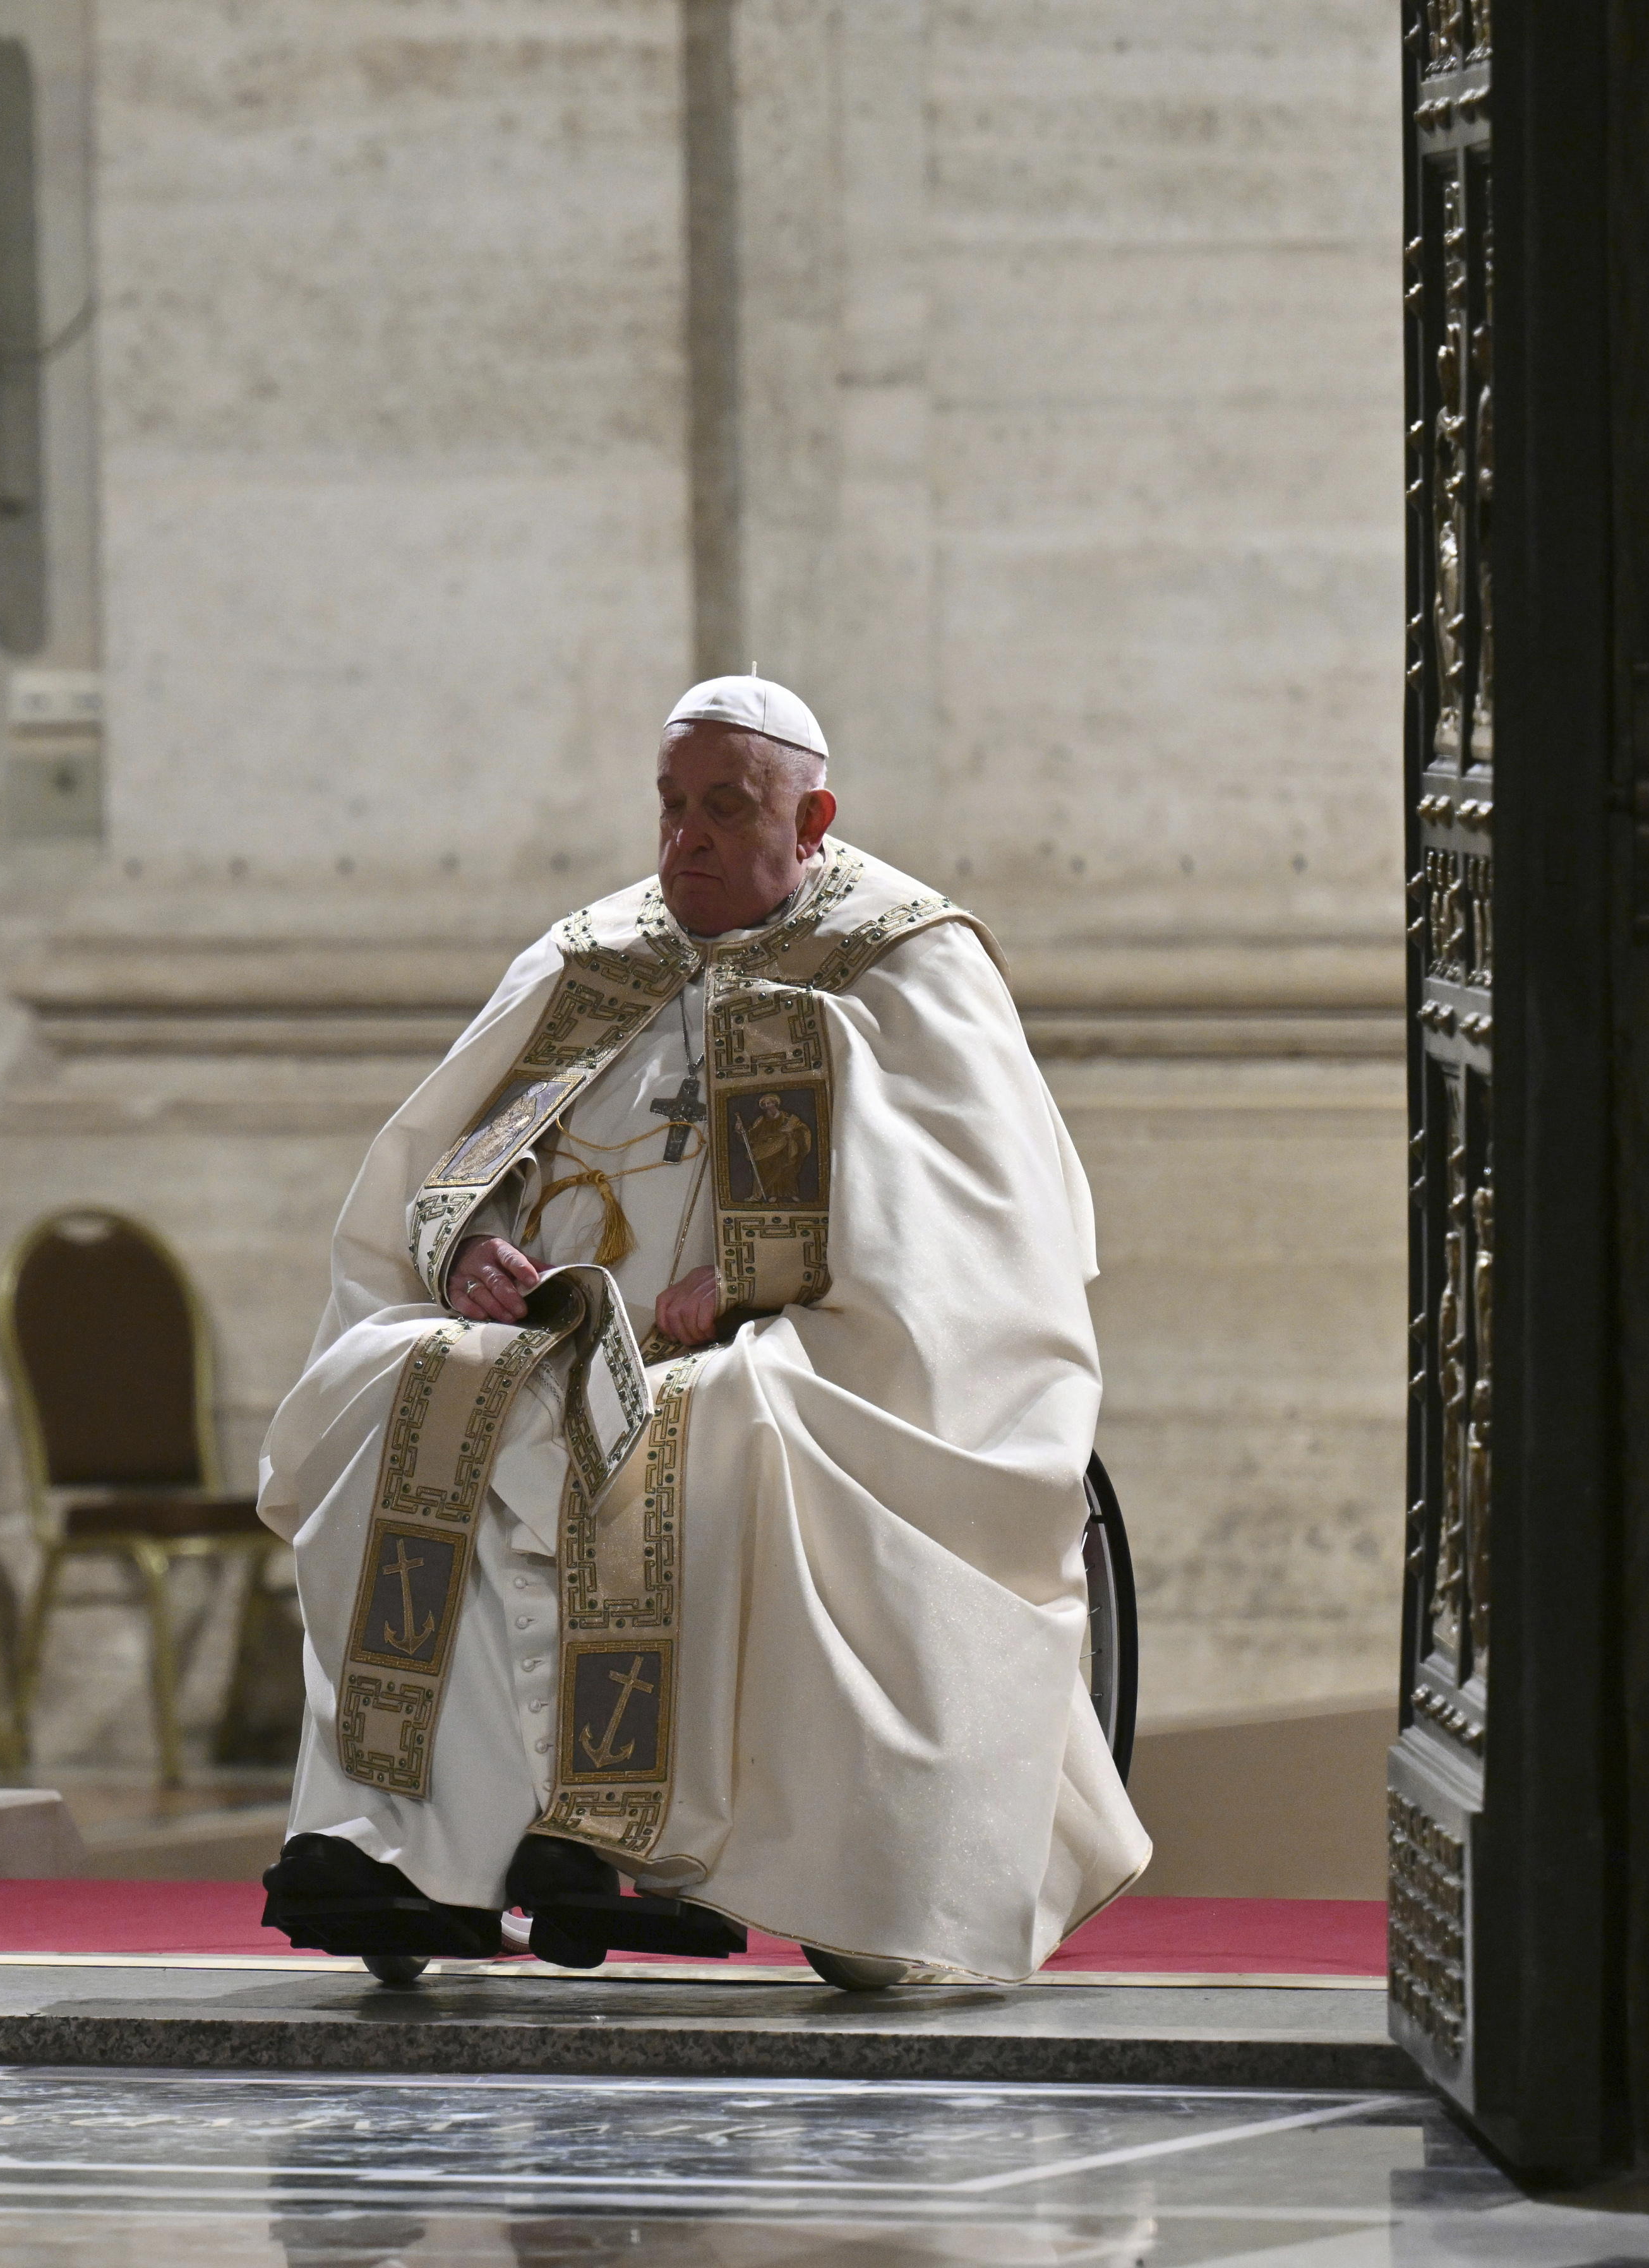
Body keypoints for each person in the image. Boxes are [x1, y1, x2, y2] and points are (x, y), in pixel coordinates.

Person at [257, 674, 1148, 1988]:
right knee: (402, 1383)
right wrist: (472, 1250)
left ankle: (616, 1836)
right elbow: (450, 1158)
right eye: (669, 807)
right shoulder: (594, 954)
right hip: (551, 1337)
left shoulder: (902, 957)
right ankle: (405, 1849)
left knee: (705, 1423)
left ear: (812, 815)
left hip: (801, 1347)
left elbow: (975, 1227)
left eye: (723, 810)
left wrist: (754, 1279)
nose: (682, 840)